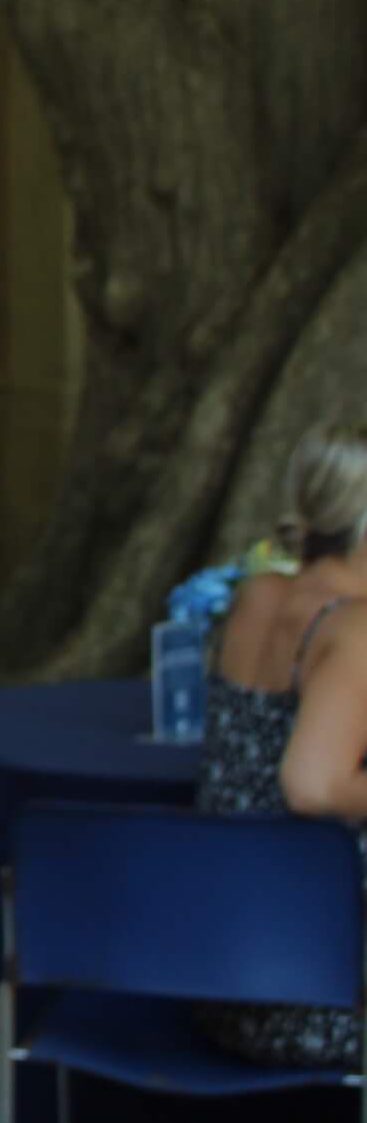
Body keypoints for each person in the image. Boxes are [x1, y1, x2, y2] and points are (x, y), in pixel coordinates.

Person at [193, 420, 367, 1066]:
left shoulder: (257, 594)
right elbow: (313, 784)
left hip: (210, 969)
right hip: (314, 991)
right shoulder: (354, 627)